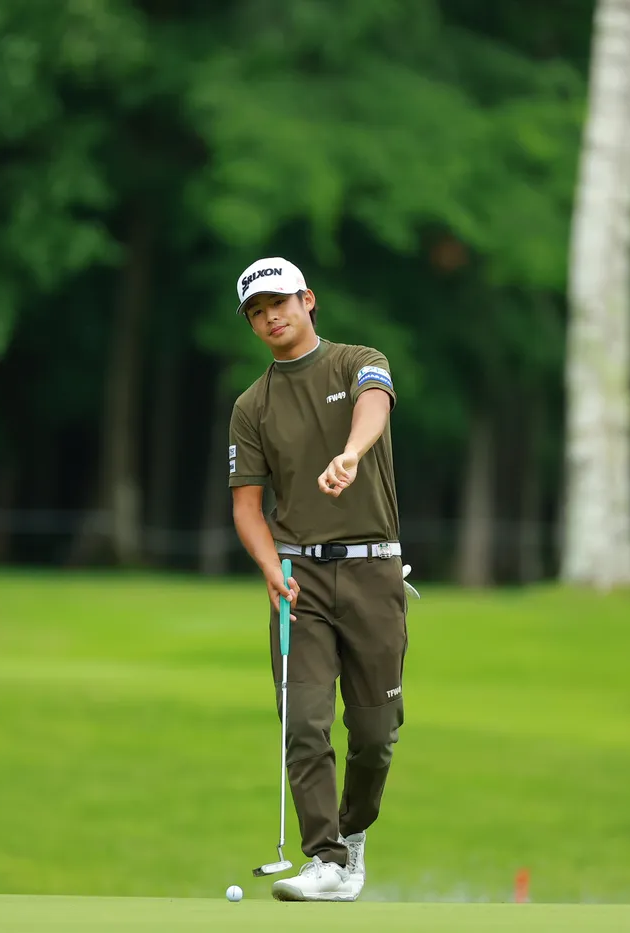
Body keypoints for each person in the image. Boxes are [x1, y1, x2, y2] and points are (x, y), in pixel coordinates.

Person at [226, 256, 412, 902]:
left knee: (375, 734)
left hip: (373, 571)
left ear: (308, 300)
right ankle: (325, 858)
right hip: (297, 575)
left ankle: (353, 834)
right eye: (257, 311)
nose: (270, 317)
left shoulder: (358, 360)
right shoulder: (252, 405)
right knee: (303, 722)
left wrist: (351, 454)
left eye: (279, 302)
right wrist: (269, 567)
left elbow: (374, 404)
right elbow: (247, 506)